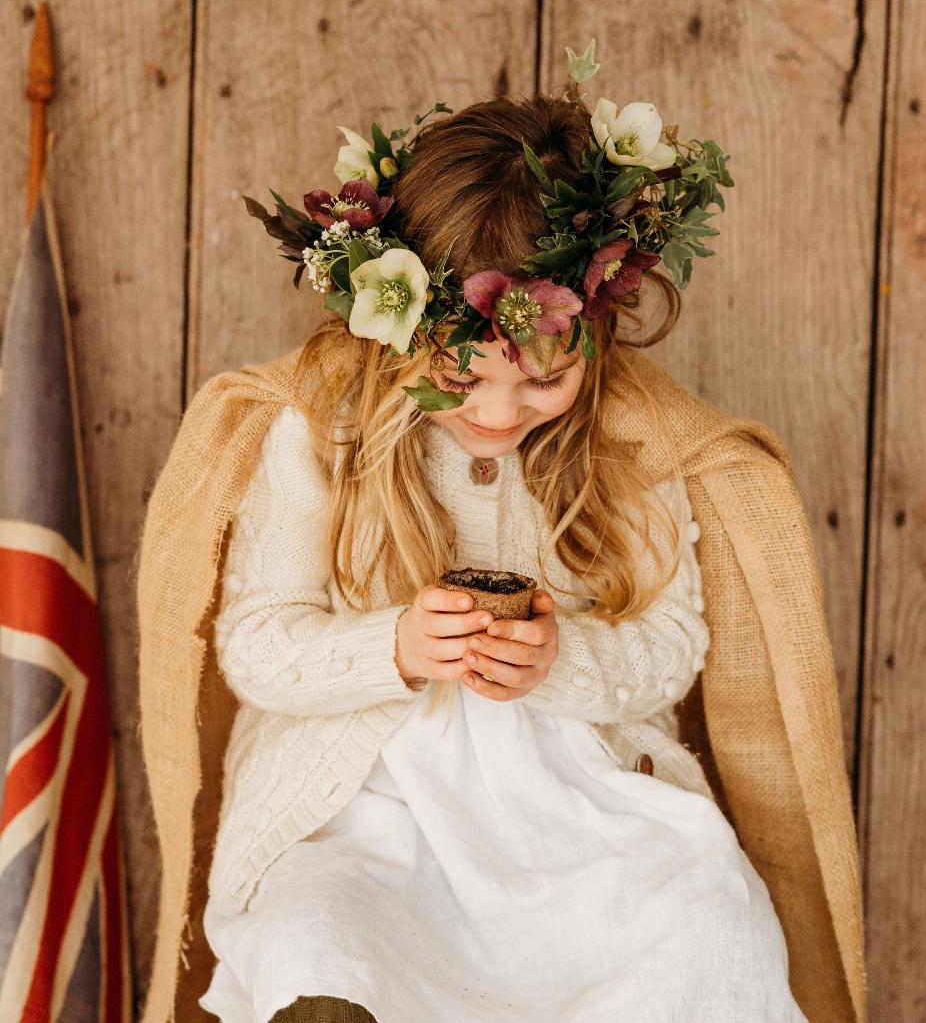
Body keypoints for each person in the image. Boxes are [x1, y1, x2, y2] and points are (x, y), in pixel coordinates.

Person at [192, 80, 808, 1022]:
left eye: (545, 377)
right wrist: (390, 647)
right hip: (367, 806)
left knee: (708, 924)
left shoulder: (637, 439)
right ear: (391, 328)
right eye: (457, 377)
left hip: (581, 809)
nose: (496, 415)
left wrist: (564, 662)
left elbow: (672, 648)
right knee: (319, 946)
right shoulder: (323, 427)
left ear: (595, 330)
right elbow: (256, 646)